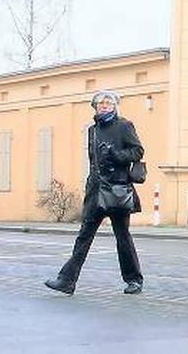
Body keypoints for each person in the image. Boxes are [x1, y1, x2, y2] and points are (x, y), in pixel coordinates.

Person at [45, 90, 144, 295]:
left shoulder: (124, 126)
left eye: (108, 102)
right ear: (95, 107)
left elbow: (137, 151)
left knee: (122, 236)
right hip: (96, 190)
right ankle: (66, 280)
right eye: (100, 103)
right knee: (84, 235)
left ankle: (134, 280)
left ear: (115, 106)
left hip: (116, 189)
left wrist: (116, 154)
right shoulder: (93, 130)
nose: (104, 105)